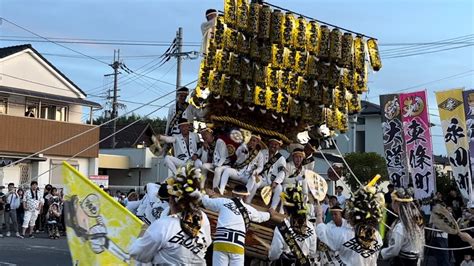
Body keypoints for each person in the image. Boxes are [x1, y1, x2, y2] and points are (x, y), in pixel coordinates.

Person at [130, 167, 212, 265]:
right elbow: (208, 242)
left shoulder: (163, 226)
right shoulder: (203, 218)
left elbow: (137, 252)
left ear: (171, 200)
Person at [202, 184, 271, 266]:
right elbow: (261, 217)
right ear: (245, 197)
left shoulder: (223, 201)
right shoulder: (248, 209)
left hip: (221, 243)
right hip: (237, 245)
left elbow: (206, 202)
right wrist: (270, 214)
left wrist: (207, 195)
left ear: (232, 194)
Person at [315, 185, 383, 266]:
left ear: (353, 215)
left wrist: (319, 214)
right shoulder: (377, 236)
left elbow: (321, 231)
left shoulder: (343, 234)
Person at [269, 186, 317, 265]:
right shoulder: (310, 226)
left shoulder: (283, 227)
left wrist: (271, 257)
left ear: (285, 209)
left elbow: (275, 253)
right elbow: (312, 251)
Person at [380, 187, 425, 266]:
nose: (391, 204)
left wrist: (382, 253)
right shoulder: (416, 222)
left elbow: (394, 250)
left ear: (397, 203)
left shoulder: (401, 226)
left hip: (402, 262)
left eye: (393, 201)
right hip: (414, 261)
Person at [246, 138, 286, 210]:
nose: (273, 146)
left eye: (276, 144)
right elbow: (255, 163)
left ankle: (272, 208)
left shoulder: (281, 159)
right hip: (262, 178)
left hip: (272, 182)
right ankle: (247, 202)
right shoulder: (262, 152)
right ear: (269, 144)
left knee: (279, 188)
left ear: (279, 147)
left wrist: (276, 182)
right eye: (272, 144)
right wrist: (256, 172)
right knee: (255, 183)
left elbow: (282, 172)